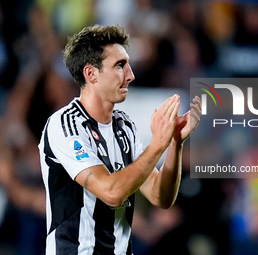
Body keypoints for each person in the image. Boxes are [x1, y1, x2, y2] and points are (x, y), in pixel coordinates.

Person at [38, 24, 201, 255]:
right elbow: (111, 193)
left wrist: (175, 142)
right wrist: (157, 144)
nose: (130, 75)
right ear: (91, 74)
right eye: (120, 65)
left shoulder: (125, 127)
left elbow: (160, 196)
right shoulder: (65, 125)